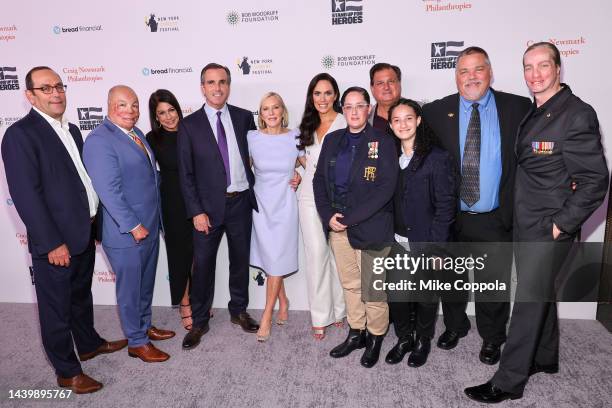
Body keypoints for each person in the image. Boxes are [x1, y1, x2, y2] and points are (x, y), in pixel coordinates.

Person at [465, 42, 608, 403]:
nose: (535, 74)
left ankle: (508, 381)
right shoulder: (538, 110)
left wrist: (561, 225)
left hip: (548, 229)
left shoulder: (576, 114)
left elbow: (596, 181)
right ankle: (544, 358)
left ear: (559, 69)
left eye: (543, 65)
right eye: (529, 67)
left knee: (527, 301)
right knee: (541, 294)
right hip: (527, 223)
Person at [1, 66, 126, 394]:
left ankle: (87, 344)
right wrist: (51, 242)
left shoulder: (71, 130)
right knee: (55, 308)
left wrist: (95, 222)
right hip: (56, 241)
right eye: (46, 89)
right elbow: (26, 195)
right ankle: (67, 371)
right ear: (30, 95)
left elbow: (81, 181)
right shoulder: (20, 135)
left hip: (82, 233)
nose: (56, 93)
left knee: (80, 297)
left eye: (59, 86)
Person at [422, 46, 531, 364]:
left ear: (490, 72)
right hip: (452, 216)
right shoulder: (436, 112)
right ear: (456, 77)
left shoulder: (518, 107)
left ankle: (494, 337)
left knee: (492, 284)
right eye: (463, 71)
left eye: (478, 69)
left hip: (495, 216)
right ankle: (455, 326)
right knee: (451, 280)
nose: (471, 77)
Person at [83, 85, 175, 364]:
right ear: (110, 105)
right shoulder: (100, 140)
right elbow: (108, 191)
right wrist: (133, 225)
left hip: (148, 225)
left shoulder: (136, 135)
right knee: (130, 289)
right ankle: (137, 342)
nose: (130, 110)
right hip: (126, 232)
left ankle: (144, 326)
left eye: (134, 105)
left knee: (145, 283)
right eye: (122, 104)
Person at [177, 63, 260, 350]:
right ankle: (199, 321)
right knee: (202, 267)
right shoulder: (189, 125)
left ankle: (239, 310)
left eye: (223, 81)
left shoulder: (244, 117)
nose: (217, 87)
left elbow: (259, 157)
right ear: (202, 87)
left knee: (240, 261)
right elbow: (185, 174)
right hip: (206, 211)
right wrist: (196, 211)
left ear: (229, 85)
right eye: (211, 82)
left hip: (240, 202)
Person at [313, 87, 398, 368]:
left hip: (372, 227)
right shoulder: (332, 140)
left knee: (373, 289)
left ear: (368, 108)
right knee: (350, 285)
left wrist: (350, 218)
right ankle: (356, 331)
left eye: (359, 106)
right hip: (338, 227)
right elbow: (318, 180)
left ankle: (375, 337)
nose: (353, 111)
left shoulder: (383, 141)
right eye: (347, 106)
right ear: (342, 109)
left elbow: (386, 188)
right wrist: (327, 215)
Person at [384, 98, 458, 367]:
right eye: (396, 120)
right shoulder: (389, 158)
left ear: (418, 121)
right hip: (397, 241)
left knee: (426, 296)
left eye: (408, 118)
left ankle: (423, 340)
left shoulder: (437, 158)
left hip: (427, 242)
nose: (402, 124)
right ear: (391, 125)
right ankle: (404, 338)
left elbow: (446, 206)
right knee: (399, 296)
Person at [297, 73, 347, 340]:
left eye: (328, 93)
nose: (323, 99)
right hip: (307, 195)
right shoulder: (307, 124)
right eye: (317, 93)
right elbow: (301, 158)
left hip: (339, 197)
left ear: (336, 95)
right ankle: (320, 316)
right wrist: (296, 171)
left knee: (339, 254)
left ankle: (339, 310)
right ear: (311, 97)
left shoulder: (345, 121)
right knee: (316, 254)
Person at [248, 92, 300, 341]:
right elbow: (242, 169)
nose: (270, 113)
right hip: (261, 204)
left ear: (282, 111)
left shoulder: (295, 136)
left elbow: (311, 165)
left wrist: (300, 176)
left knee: (277, 255)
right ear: (261, 114)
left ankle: (266, 315)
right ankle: (283, 301)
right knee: (272, 257)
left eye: (275, 107)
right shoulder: (252, 138)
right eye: (265, 108)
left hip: (285, 204)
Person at [146, 89, 194, 330]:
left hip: (196, 200)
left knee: (199, 254)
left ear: (178, 109)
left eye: (171, 110)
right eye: (161, 113)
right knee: (178, 255)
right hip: (171, 202)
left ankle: (197, 300)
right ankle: (184, 304)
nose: (168, 117)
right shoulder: (152, 139)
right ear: (156, 117)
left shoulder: (192, 131)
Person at [368, 63, 402, 131]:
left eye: (391, 82)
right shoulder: (364, 118)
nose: (386, 87)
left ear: (399, 84)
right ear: (372, 88)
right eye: (380, 83)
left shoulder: (421, 110)